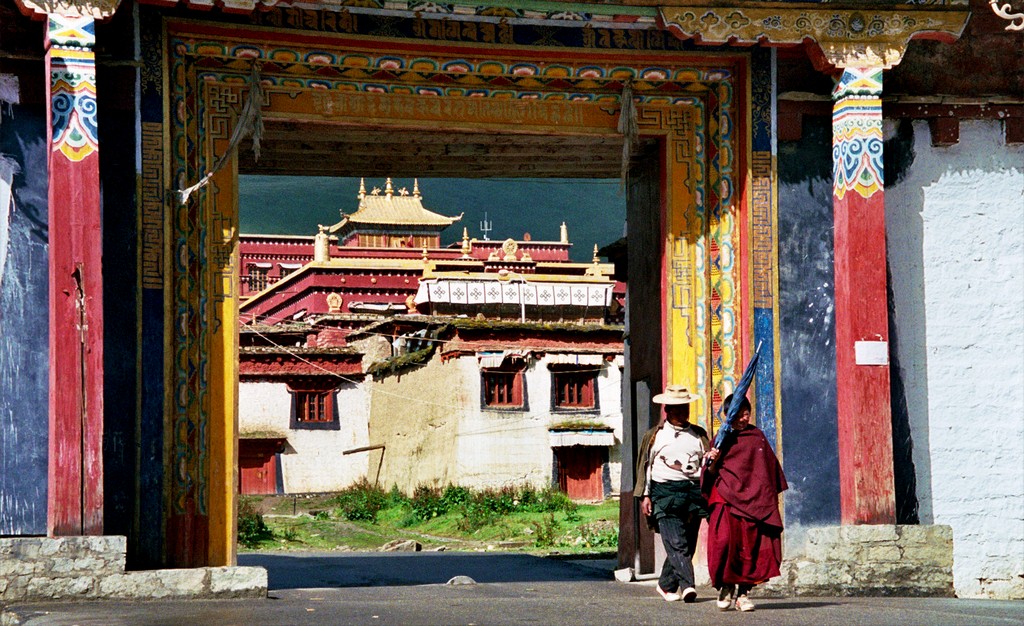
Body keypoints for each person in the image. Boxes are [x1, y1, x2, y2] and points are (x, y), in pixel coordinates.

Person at [702, 394, 788, 612]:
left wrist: (767, 499)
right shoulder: (720, 439)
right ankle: (726, 586)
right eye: (738, 414)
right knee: (724, 543)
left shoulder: (756, 437)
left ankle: (743, 594)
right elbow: (710, 474)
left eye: (746, 413)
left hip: (753, 502)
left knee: (750, 547)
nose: (743, 418)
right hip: (726, 498)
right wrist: (714, 459)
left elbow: (767, 471)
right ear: (728, 416)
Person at [634, 384, 709, 603]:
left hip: (693, 494)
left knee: (688, 542)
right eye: (677, 408)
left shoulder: (698, 435)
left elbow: (707, 464)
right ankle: (688, 586)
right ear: (667, 410)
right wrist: (645, 496)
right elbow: (645, 467)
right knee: (677, 543)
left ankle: (665, 584)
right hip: (664, 494)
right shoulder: (654, 437)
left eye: (685, 407)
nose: (682, 412)